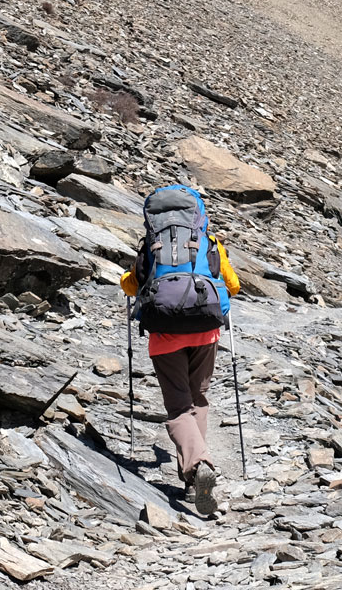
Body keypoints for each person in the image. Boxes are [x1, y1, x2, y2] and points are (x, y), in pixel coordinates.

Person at [120, 184, 241, 515]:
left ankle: (197, 467)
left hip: (164, 337)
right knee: (198, 400)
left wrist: (126, 279)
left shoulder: (152, 246)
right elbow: (232, 285)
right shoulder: (210, 244)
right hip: (205, 333)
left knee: (178, 407)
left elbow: (132, 284)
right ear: (198, 216)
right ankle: (195, 479)